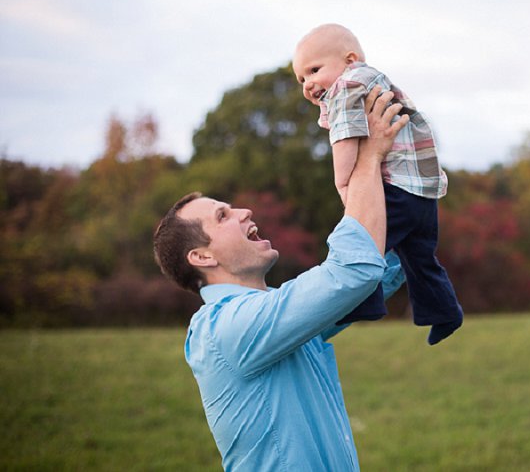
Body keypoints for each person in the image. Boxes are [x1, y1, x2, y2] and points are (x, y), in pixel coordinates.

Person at [153, 88, 408, 471]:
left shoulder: (273, 315)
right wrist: (368, 156)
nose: (243, 211)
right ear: (202, 257)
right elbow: (352, 272)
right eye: (222, 216)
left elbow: (379, 271)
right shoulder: (223, 329)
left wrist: (409, 178)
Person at [292, 23, 463, 345]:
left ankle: (362, 304)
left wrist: (343, 182)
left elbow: (345, 137)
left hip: (396, 188)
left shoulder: (348, 84)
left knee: (360, 245)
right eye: (301, 79)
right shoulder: (373, 81)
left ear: (349, 59)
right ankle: (445, 312)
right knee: (420, 260)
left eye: (314, 70)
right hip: (423, 194)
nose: (308, 83)